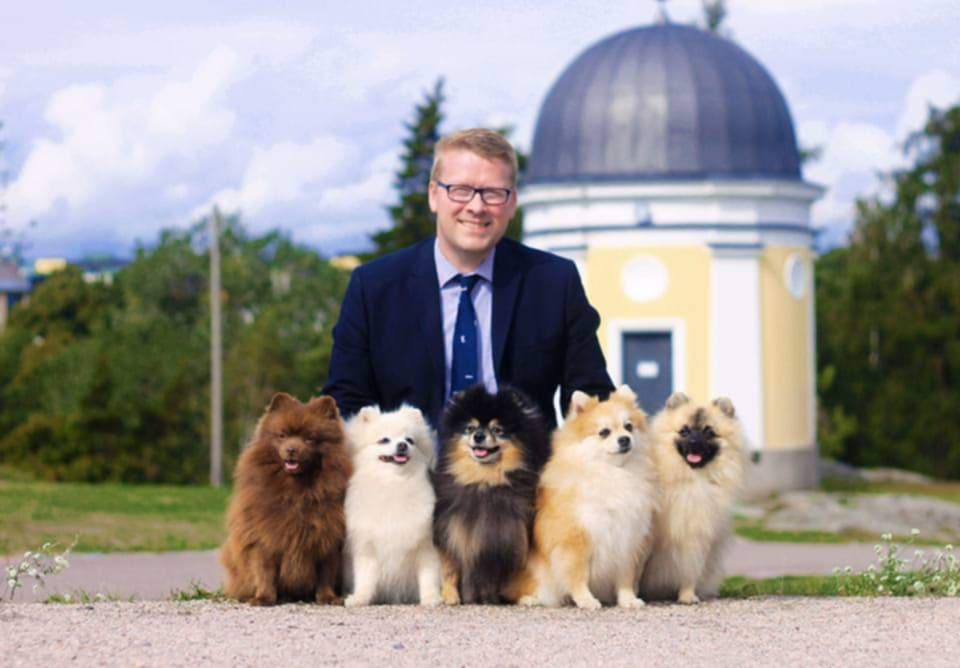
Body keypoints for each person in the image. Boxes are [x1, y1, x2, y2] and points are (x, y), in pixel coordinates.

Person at [323, 128, 612, 430]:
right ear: (434, 195)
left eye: (493, 193)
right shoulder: (374, 288)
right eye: (460, 190)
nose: (476, 207)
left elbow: (593, 399)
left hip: (525, 459)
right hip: (413, 458)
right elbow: (347, 405)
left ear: (512, 202)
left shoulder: (553, 283)